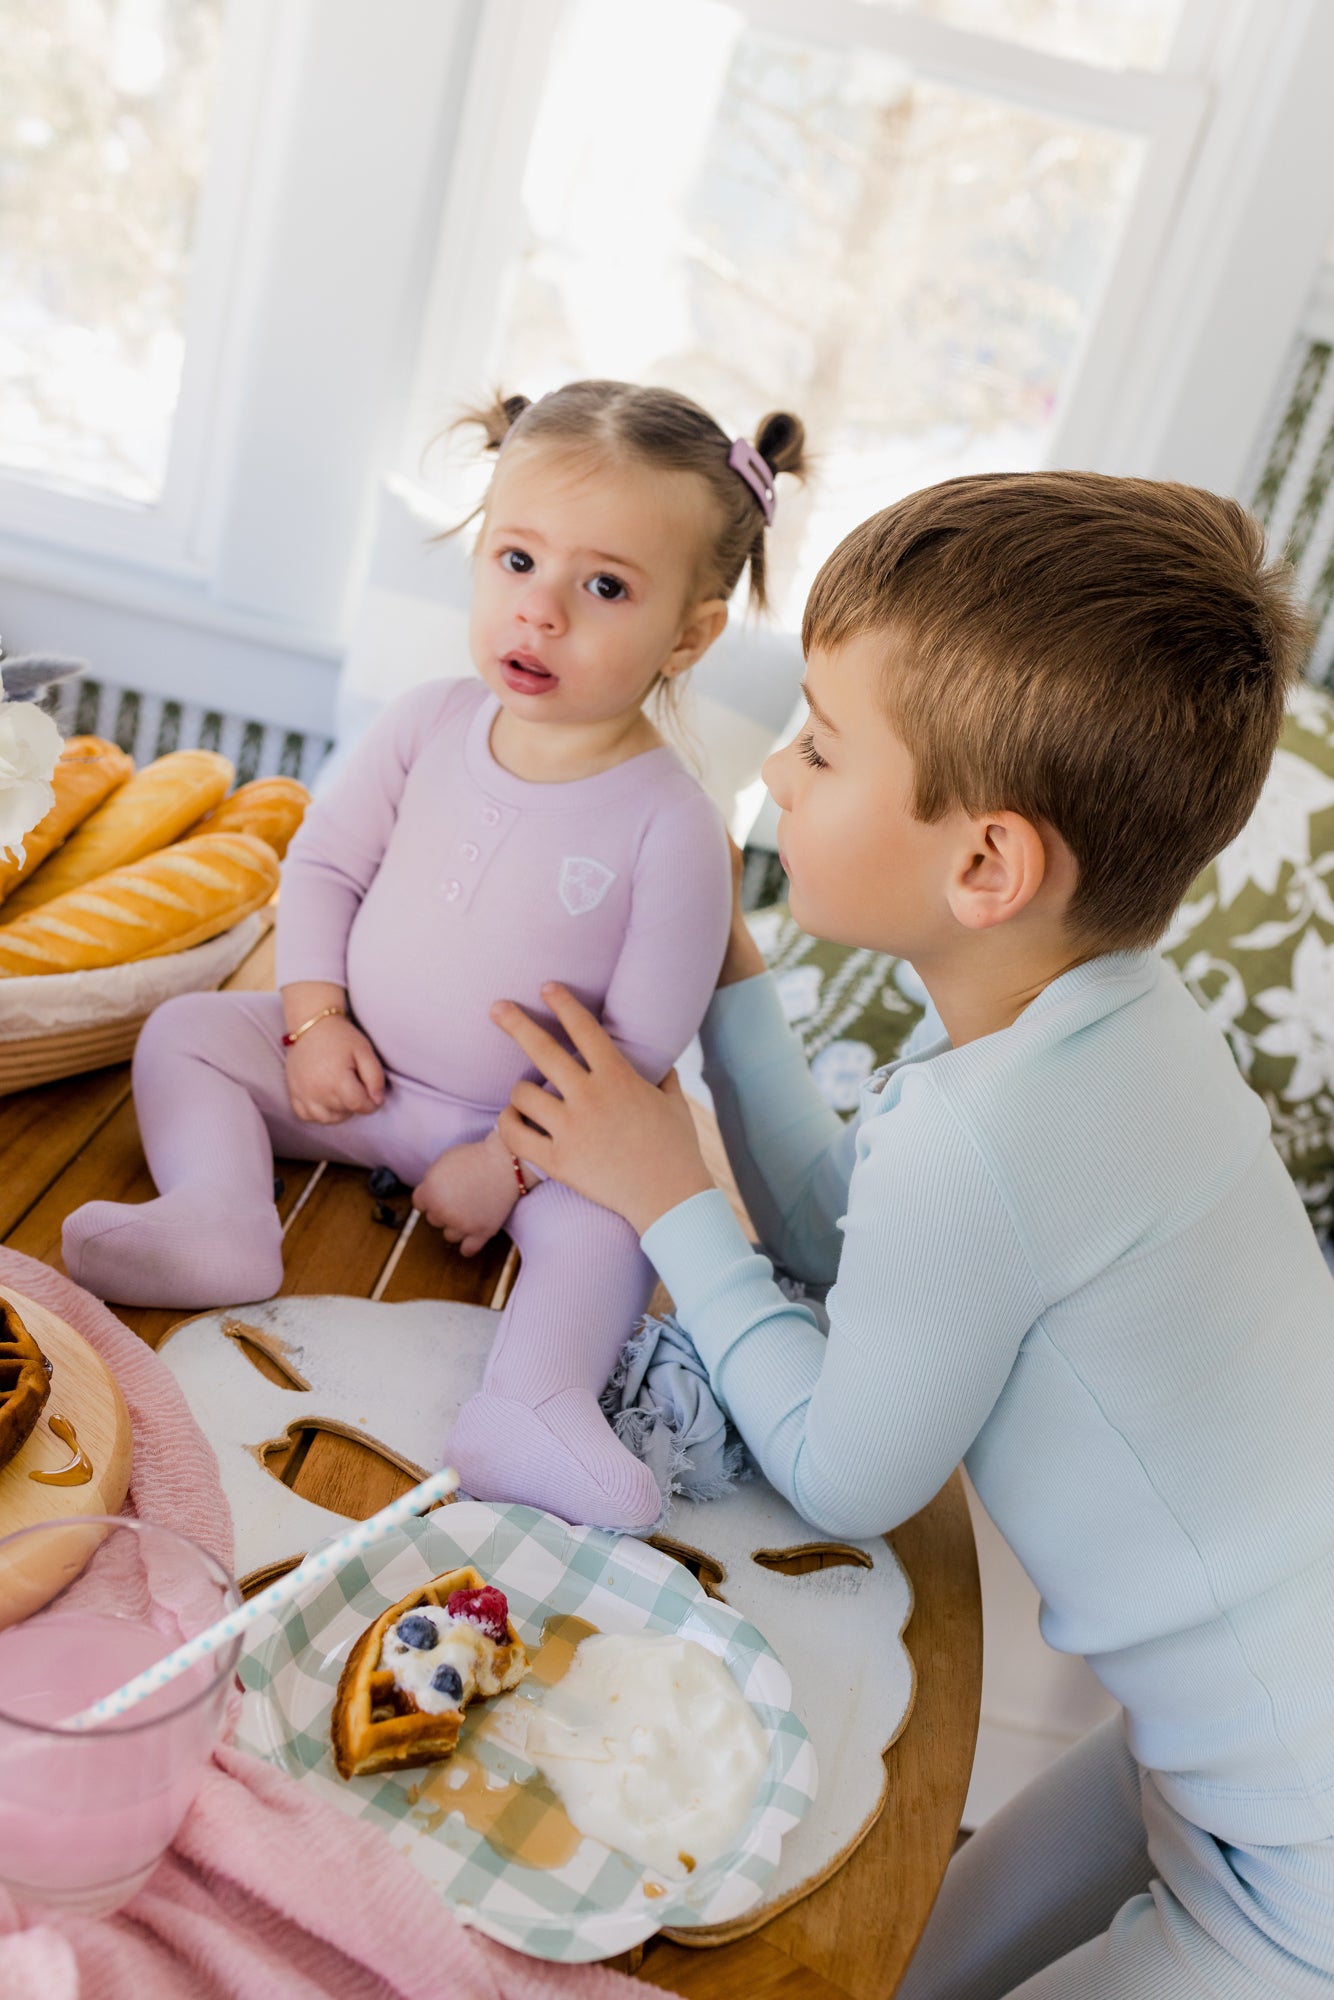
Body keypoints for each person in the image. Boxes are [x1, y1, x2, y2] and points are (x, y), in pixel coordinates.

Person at [489, 471, 1334, 1998]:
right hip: (1246, 1745)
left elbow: (844, 1468)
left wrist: (667, 1192)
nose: (785, 773)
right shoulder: (1112, 1024)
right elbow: (864, 1254)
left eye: (819, 743)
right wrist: (734, 988)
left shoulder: (990, 1137)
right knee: (904, 1961)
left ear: (986, 868)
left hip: (1298, 1873)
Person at [62, 379, 807, 1534]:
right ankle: (219, 1215)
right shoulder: (424, 725)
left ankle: (529, 1399)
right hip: (355, 1079)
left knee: (619, 1218)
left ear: (691, 633)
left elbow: (638, 1046)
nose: (541, 611)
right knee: (192, 1031)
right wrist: (313, 1022)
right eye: (516, 561)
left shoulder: (672, 822)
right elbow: (318, 872)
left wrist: (506, 1166)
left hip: (535, 1136)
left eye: (603, 585)